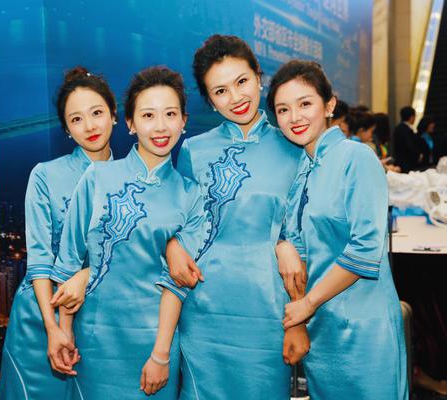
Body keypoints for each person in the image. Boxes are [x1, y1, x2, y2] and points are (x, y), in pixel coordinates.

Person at [165, 34, 309, 399]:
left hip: (269, 311)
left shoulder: (294, 147)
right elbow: (180, 222)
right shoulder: (194, 151)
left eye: (242, 81)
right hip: (204, 309)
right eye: (220, 91)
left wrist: (297, 320)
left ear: (259, 76)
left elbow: (303, 238)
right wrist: (172, 244)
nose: (236, 97)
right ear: (210, 100)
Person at [51, 66, 204, 399]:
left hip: (154, 342)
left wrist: (161, 354)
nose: (160, 126)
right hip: (93, 343)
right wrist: (64, 332)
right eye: (148, 115)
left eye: (170, 114)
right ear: (131, 123)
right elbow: (68, 260)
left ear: (183, 121)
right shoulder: (96, 178)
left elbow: (176, 283)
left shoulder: (191, 194)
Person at [268, 59, 408, 399]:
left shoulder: (356, 158)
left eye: (305, 104)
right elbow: (298, 248)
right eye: (283, 109)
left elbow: (366, 249)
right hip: (322, 330)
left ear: (329, 105)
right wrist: (283, 247)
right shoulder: (301, 170)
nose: (294, 117)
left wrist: (307, 304)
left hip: (364, 328)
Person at [0, 67, 116, 399]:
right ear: (66, 128)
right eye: (76, 119)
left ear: (114, 114)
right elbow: (38, 260)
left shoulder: (131, 178)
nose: (89, 126)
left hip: (102, 322)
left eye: (97, 113)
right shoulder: (45, 175)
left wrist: (87, 274)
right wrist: (51, 327)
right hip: (42, 316)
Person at [394, 105, 423, 172]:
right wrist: (418, 155)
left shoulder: (398, 128)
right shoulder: (406, 129)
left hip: (400, 161)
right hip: (407, 163)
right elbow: (410, 146)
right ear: (411, 117)